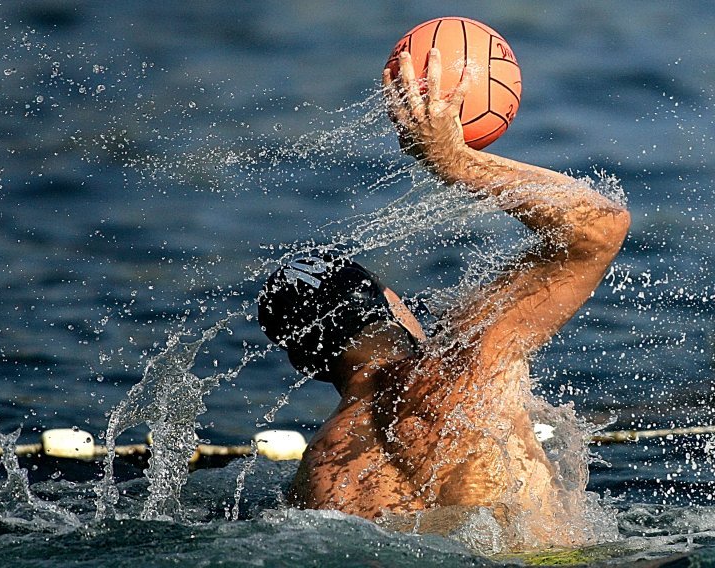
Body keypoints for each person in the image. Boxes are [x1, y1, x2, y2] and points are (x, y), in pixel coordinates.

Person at [257, 49, 630, 550]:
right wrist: (456, 163)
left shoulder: (319, 473)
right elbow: (598, 227)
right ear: (393, 304)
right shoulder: (464, 363)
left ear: (304, 358)